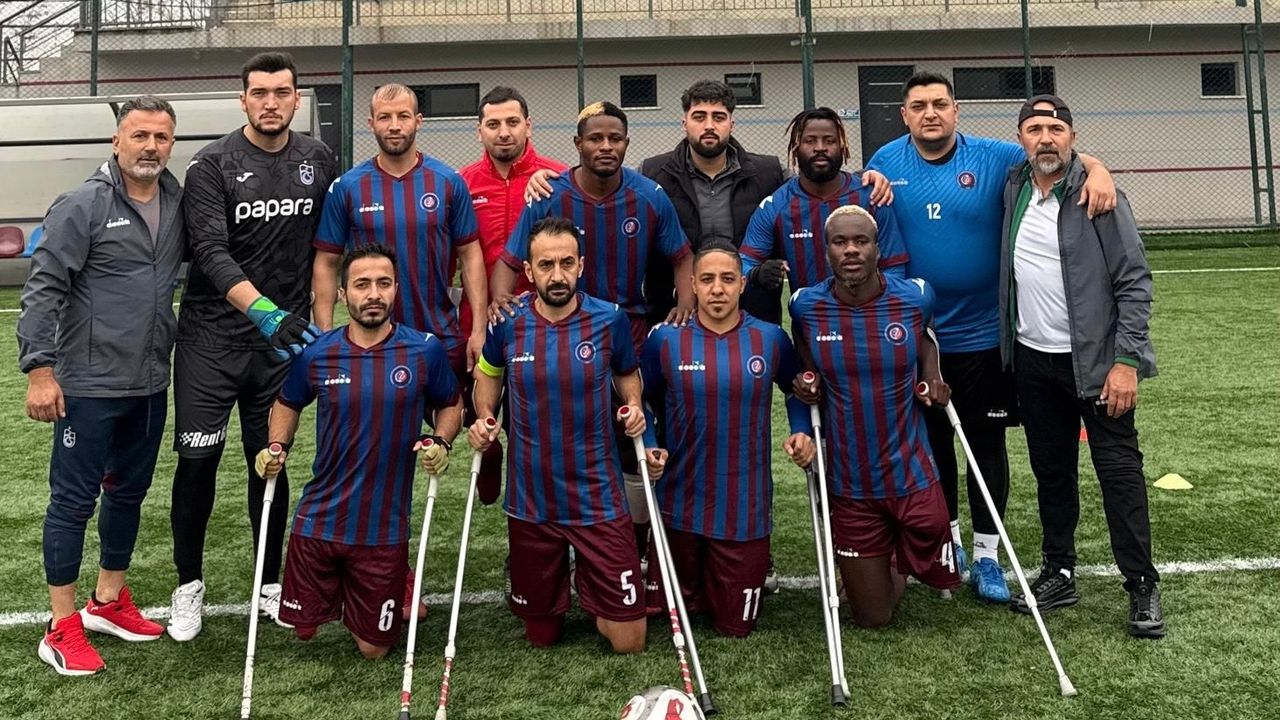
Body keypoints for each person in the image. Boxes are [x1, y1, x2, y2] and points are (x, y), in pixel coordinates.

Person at [867, 72, 1118, 602]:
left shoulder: (995, 157)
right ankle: (949, 542)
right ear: (905, 115)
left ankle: (987, 556)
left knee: (984, 445)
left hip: (985, 335)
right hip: (921, 337)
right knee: (933, 445)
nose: (930, 113)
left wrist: (1099, 169)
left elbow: (1056, 154)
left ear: (956, 110)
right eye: (919, 106)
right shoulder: (885, 161)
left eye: (940, 104)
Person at [168, 51, 338, 641]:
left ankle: (269, 583)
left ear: (297, 99)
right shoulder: (211, 164)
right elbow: (210, 253)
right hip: (211, 342)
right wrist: (266, 313)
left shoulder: (318, 158)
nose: (271, 102)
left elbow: (326, 250)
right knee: (197, 462)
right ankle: (188, 584)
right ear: (242, 99)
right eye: (259, 92)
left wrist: (318, 325)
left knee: (270, 460)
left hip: (280, 347)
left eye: (282, 92)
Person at [18, 96, 185, 675]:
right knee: (72, 502)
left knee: (128, 494)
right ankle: (61, 626)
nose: (150, 147)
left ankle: (107, 601)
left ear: (171, 144)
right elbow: (43, 290)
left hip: (150, 382)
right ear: (116, 141)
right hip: (88, 385)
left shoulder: (177, 202)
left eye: (161, 137)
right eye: (139, 135)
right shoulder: (82, 204)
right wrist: (40, 371)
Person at [491, 101, 692, 557]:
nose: (605, 146)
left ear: (626, 143)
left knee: (631, 435)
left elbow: (682, 257)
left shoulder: (649, 195)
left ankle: (632, 544)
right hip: (556, 333)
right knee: (552, 437)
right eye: (595, 138)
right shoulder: (550, 194)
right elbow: (510, 261)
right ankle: (539, 542)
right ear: (577, 144)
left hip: (627, 332)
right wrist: (500, 301)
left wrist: (684, 304)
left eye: (614, 138)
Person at [999, 95, 1163, 638]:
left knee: (1119, 473)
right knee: (1052, 472)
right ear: (1020, 140)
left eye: (1056, 129)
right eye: (1034, 129)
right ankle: (1059, 571)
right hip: (1033, 360)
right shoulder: (1013, 187)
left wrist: (1126, 362)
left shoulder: (1099, 196)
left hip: (1096, 364)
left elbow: (1134, 281)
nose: (1045, 138)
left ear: (1072, 137)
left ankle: (1141, 583)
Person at [468, 216, 663, 653]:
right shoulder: (508, 322)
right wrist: (484, 415)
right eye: (546, 265)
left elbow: (627, 374)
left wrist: (633, 406)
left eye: (566, 263)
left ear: (581, 265)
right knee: (542, 638)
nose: (557, 275)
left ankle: (590, 580)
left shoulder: (609, 319)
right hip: (532, 500)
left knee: (629, 641)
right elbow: (488, 374)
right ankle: (557, 584)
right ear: (529, 270)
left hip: (597, 497)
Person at [260, 244, 463, 657]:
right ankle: (349, 592)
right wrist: (276, 447)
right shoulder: (318, 353)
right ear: (342, 294)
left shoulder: (424, 350)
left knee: (374, 649)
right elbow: (286, 403)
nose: (373, 294)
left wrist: (442, 440)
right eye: (362, 284)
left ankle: (382, 590)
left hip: (382, 529)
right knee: (303, 628)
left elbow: (451, 403)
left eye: (383, 284)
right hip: (319, 521)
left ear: (396, 290)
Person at [789, 205, 960, 628]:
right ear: (826, 251)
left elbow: (926, 337)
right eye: (840, 242)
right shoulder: (805, 305)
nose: (851, 250)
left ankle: (895, 550)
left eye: (860, 241)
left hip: (910, 471)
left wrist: (932, 375)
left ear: (877, 249)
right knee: (872, 617)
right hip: (851, 480)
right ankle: (879, 557)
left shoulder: (915, 296)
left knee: (940, 563)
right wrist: (807, 380)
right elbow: (804, 353)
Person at [640, 243, 814, 637]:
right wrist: (649, 442)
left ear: (741, 285)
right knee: (671, 620)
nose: (717, 289)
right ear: (692, 285)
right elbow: (641, 399)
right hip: (679, 506)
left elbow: (795, 390)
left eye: (727, 279)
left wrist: (801, 431)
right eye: (707, 279)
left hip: (743, 510)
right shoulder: (664, 340)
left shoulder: (770, 339)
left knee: (736, 627)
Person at [459, 86, 568, 505]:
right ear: (479, 131)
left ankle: (534, 516)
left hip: (541, 326)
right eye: (493, 124)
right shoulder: (462, 184)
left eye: (512, 122)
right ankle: (491, 455)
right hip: (481, 323)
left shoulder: (556, 178)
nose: (503, 132)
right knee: (479, 416)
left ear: (528, 125)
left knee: (536, 431)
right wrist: (473, 326)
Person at [637, 80, 787, 325]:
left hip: (752, 315)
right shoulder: (651, 173)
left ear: (731, 124)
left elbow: (809, 197)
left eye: (718, 117)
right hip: (675, 314)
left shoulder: (771, 173)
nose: (709, 125)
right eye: (699, 117)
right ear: (684, 123)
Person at [740, 107, 905, 300]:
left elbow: (894, 268)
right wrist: (757, 274)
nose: (820, 148)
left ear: (843, 147)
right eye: (810, 141)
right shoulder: (775, 206)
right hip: (810, 317)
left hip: (868, 315)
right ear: (795, 148)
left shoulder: (872, 197)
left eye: (829, 141)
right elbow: (744, 263)